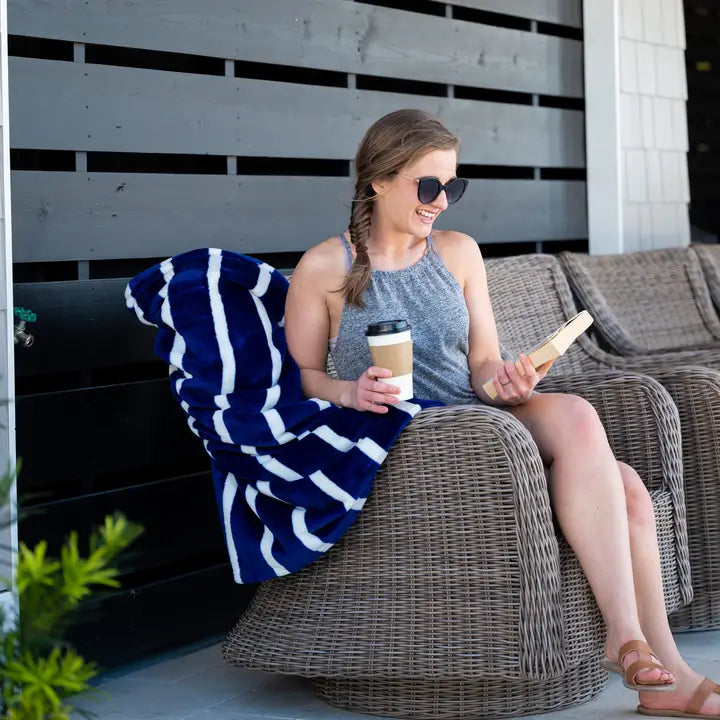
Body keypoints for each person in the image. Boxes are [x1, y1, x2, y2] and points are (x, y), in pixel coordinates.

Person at [284, 108, 719, 718]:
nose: (441, 201)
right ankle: (639, 651)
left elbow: (483, 361)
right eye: (428, 185)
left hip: (480, 422)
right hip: (403, 434)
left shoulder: (458, 252)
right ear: (378, 181)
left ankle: (651, 661)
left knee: (605, 457)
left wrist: (508, 379)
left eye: (452, 186)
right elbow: (302, 377)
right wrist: (350, 392)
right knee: (618, 481)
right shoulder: (324, 268)